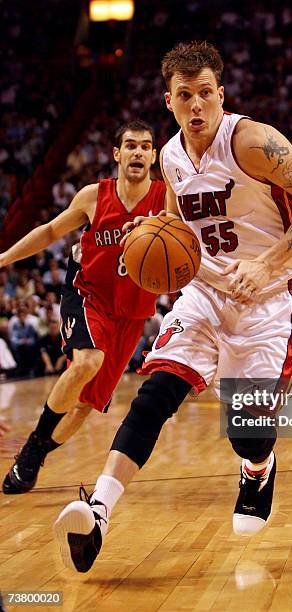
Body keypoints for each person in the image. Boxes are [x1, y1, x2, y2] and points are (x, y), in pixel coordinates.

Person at [53, 41, 292, 573]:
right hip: (206, 292)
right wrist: (153, 231)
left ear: (221, 94)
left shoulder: (252, 140)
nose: (197, 105)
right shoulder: (169, 156)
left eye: (205, 93)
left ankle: (258, 468)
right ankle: (99, 512)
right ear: (170, 101)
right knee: (153, 395)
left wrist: (270, 261)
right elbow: (176, 226)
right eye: (185, 96)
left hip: (273, 300)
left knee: (246, 433)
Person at [1, 119, 166, 494]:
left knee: (85, 406)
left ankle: (37, 451)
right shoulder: (94, 196)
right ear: (116, 154)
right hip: (88, 294)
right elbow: (49, 231)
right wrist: (4, 258)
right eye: (130, 145)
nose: (137, 152)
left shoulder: (165, 198)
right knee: (87, 362)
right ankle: (31, 450)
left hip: (132, 312)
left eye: (144, 146)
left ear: (154, 156)